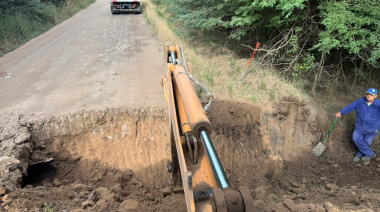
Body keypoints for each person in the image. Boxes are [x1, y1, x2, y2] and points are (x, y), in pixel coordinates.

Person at [335, 88, 380, 164]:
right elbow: (351, 107)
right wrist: (341, 112)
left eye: (371, 95)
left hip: (372, 129)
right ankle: (370, 154)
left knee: (367, 142)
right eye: (368, 94)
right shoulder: (360, 101)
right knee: (356, 138)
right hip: (360, 126)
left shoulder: (378, 105)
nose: (369, 96)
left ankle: (359, 155)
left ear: (375, 96)